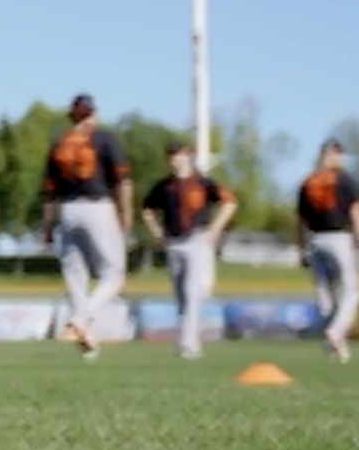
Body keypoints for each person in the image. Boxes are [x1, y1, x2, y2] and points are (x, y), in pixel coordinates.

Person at [38, 95, 131, 358]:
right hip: (98, 206)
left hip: (68, 210)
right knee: (113, 275)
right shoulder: (103, 138)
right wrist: (125, 214)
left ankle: (87, 340)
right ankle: (81, 319)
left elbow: (48, 193)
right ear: (92, 115)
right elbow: (122, 180)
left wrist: (47, 228)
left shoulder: (59, 143)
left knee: (75, 276)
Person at [141, 143, 238, 359]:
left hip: (196, 239)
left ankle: (188, 343)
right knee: (181, 294)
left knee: (193, 291)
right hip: (174, 241)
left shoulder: (202, 182)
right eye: (172, 156)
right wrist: (157, 233)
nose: (176, 160)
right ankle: (187, 339)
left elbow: (229, 203)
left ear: (188, 157)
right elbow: (147, 209)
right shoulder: (165, 186)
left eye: (180, 156)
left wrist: (214, 229)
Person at [296, 137, 359, 363]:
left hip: (315, 240)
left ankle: (337, 345)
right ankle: (336, 332)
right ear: (333, 155)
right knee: (351, 290)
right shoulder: (344, 179)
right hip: (339, 238)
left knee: (324, 293)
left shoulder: (307, 182)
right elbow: (356, 211)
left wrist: (301, 248)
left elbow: (299, 221)